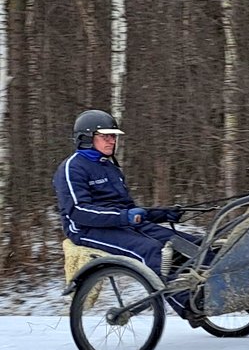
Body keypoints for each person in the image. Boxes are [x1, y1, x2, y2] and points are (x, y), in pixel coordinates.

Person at [53, 109, 198, 320]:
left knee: (188, 244)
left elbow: (128, 209)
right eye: (105, 136)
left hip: (120, 224)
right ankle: (187, 304)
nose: (112, 141)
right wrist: (125, 217)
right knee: (151, 250)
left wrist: (164, 214)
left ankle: (223, 288)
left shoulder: (110, 167)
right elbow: (78, 212)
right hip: (87, 229)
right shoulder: (71, 168)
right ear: (86, 137)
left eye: (113, 136)